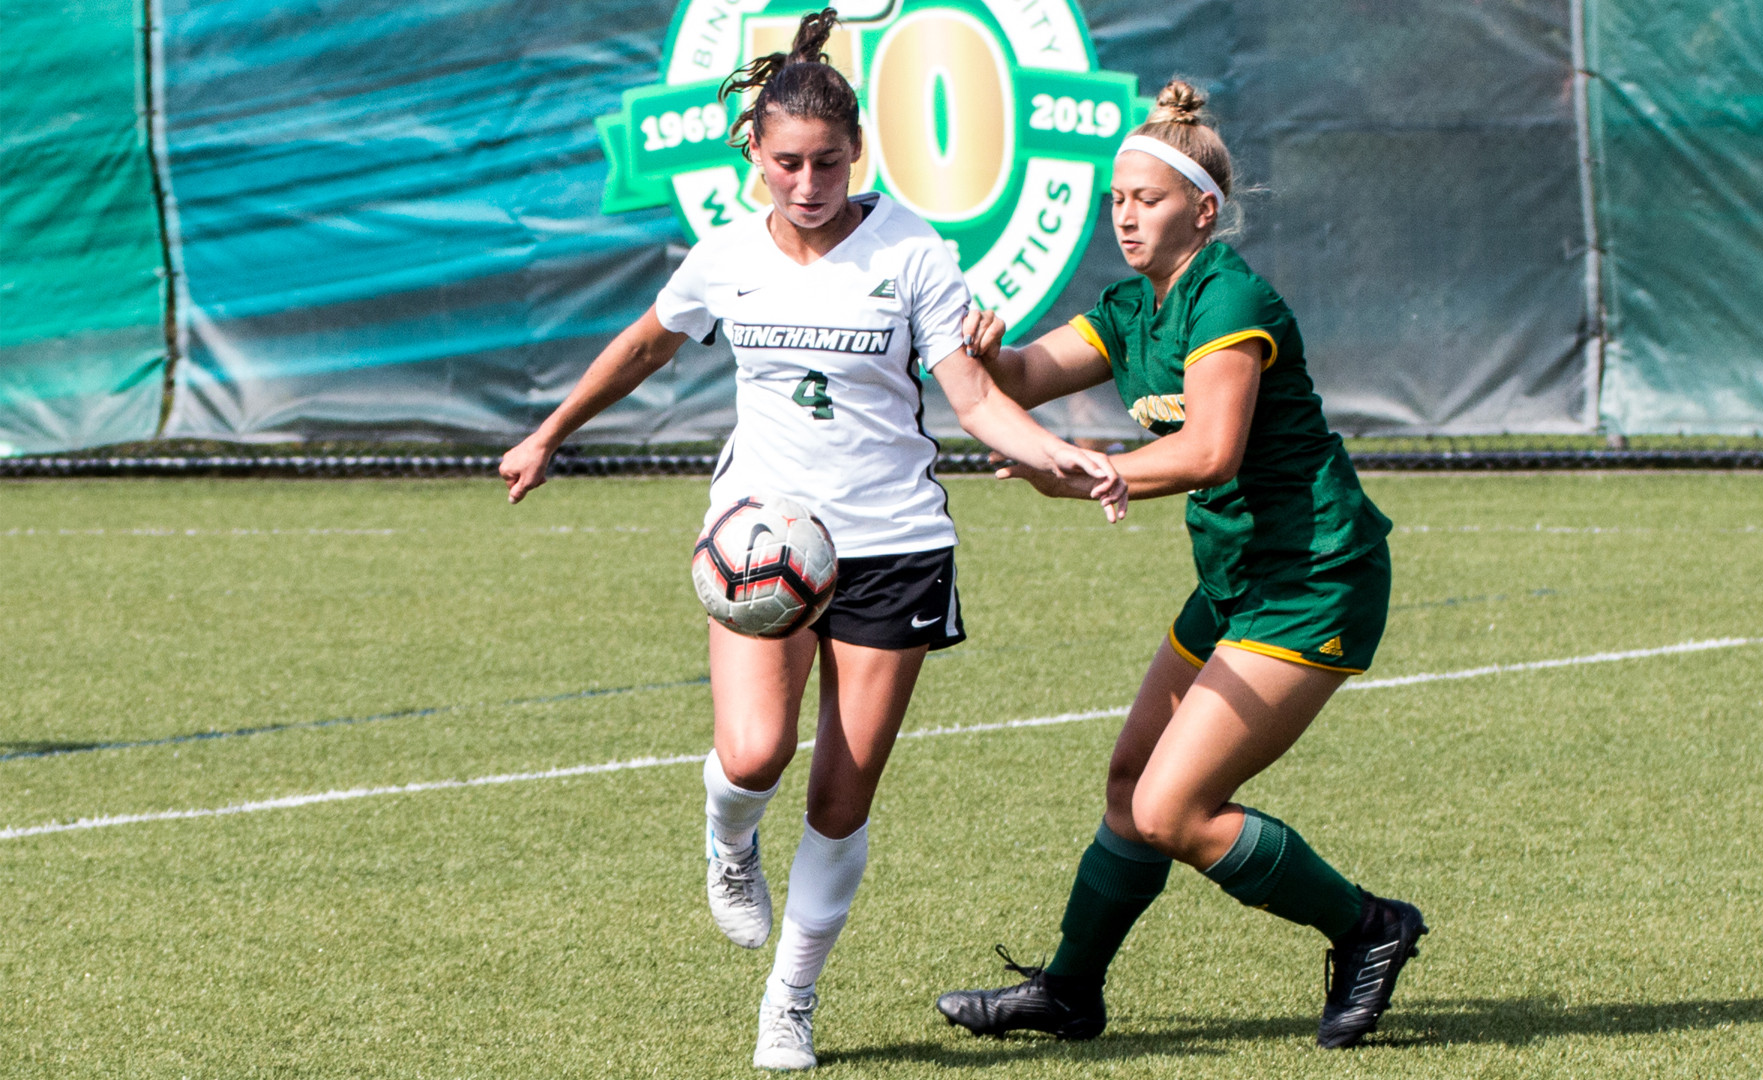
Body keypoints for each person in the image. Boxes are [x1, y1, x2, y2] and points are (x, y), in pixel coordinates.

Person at [498, 10, 1126, 1070]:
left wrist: (1058, 453)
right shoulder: (729, 255)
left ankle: (789, 1001)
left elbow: (972, 393)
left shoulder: (914, 249)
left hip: (893, 544)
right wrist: (551, 430)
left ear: (857, 155)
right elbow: (649, 342)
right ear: (755, 154)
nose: (807, 182)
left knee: (842, 789)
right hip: (760, 537)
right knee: (752, 754)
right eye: (786, 161)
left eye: (827, 161)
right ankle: (727, 839)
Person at [933, 78, 1425, 1050]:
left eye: (1145, 199)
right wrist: (982, 350)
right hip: (1241, 582)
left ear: (1202, 209)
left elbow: (1211, 453)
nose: (1124, 214)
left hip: (1315, 577)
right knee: (1130, 783)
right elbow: (1027, 376)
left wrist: (1090, 473)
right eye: (1116, 198)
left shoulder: (1227, 295)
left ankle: (1370, 927)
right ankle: (1070, 992)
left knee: (1171, 807)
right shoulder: (1131, 308)